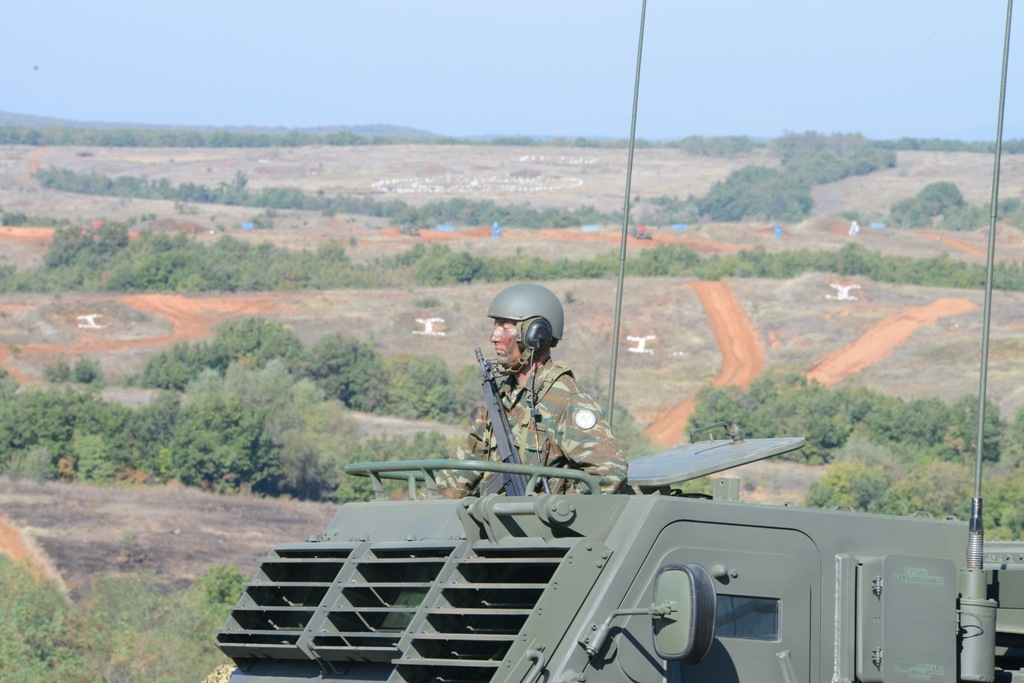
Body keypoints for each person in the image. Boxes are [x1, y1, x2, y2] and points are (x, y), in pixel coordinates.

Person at [439, 283, 627, 497]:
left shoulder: (566, 399)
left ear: (533, 335)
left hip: (539, 526)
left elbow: (608, 473)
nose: (494, 336)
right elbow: (466, 466)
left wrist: (554, 510)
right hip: (497, 521)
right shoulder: (501, 395)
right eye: (495, 326)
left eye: (504, 327)